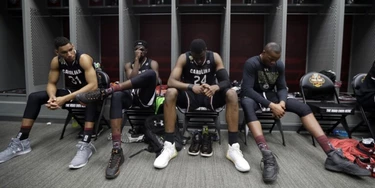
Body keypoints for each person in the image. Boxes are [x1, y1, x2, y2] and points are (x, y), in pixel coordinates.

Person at [240, 42, 370, 183]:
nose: (273, 62)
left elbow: (282, 88)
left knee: (304, 108)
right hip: (254, 96)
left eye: (276, 60)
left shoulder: (278, 65)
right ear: (263, 52)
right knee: (246, 105)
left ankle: (332, 155)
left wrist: (282, 103)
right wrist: (272, 106)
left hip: (272, 96)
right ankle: (267, 157)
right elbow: (247, 90)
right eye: (270, 59)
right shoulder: (251, 63)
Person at [0, 37, 99, 169]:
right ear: (57, 52)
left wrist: (64, 98)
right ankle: (22, 141)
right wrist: (52, 97)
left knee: (89, 97)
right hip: (73, 91)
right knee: (34, 97)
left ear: (73, 46)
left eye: (71, 49)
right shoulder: (56, 61)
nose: (69, 54)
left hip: (93, 91)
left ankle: (86, 144)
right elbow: (51, 83)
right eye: (64, 52)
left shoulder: (83, 58)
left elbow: (93, 85)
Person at [153, 38, 250, 172]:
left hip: (210, 94)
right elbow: (171, 81)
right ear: (191, 53)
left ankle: (233, 148)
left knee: (232, 94)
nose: (198, 61)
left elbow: (226, 81)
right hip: (190, 95)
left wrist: (215, 87)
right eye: (195, 57)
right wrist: (191, 86)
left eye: (201, 57)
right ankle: (169, 146)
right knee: (170, 93)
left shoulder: (214, 57)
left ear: (206, 51)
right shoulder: (184, 58)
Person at [76, 40, 159, 179]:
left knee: (150, 74)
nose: (140, 51)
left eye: (142, 49)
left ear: (147, 51)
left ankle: (106, 91)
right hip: (131, 96)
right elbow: (132, 77)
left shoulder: (153, 63)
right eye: (137, 49)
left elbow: (153, 79)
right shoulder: (128, 64)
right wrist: (137, 60)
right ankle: (116, 150)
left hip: (146, 98)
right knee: (117, 95)